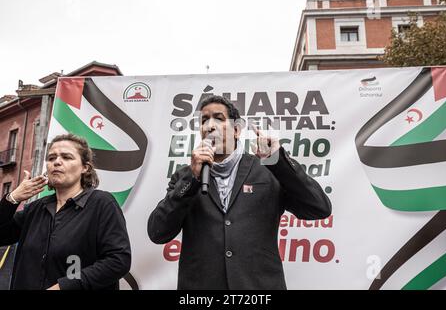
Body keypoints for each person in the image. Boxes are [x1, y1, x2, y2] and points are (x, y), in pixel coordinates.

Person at [148, 95, 332, 290]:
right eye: (204, 120)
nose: (210, 126)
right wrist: (192, 180)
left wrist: (279, 161)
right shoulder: (184, 178)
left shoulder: (269, 170)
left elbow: (319, 208)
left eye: (219, 118)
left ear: (236, 130)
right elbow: (158, 232)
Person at [0, 134, 131, 290]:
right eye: (51, 158)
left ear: (85, 168)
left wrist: (65, 286)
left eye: (67, 157)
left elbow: (118, 260)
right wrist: (12, 198)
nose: (57, 162)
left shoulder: (102, 204)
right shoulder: (35, 208)